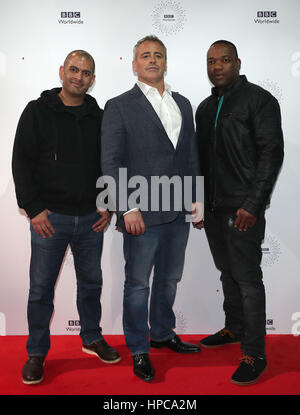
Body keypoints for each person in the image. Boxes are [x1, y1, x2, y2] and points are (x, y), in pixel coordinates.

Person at [12, 50, 121, 385]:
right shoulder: (37, 111)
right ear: (62, 71)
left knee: (91, 283)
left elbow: (111, 162)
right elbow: (21, 162)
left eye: (87, 72)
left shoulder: (100, 116)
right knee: (40, 291)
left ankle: (91, 337)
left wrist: (108, 203)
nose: (79, 76)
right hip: (50, 219)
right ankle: (36, 353)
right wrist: (33, 209)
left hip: (91, 219)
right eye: (74, 69)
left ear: (93, 78)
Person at [101, 35, 202, 382]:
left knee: (170, 278)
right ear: (134, 64)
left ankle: (162, 332)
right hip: (140, 213)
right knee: (138, 283)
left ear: (166, 62)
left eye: (158, 55)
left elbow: (189, 155)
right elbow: (111, 161)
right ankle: (140, 349)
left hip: (177, 212)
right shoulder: (119, 105)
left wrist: (197, 198)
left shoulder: (183, 103)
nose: (152, 60)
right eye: (145, 55)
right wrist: (126, 208)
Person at [195, 40, 284, 385]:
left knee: (247, 280)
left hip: (243, 209)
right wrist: (199, 202)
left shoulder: (259, 101)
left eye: (224, 60)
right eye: (211, 61)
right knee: (226, 272)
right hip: (214, 209)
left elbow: (271, 154)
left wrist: (253, 204)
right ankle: (233, 329)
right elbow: (200, 162)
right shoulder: (204, 108)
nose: (217, 67)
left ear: (238, 62)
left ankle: (255, 353)